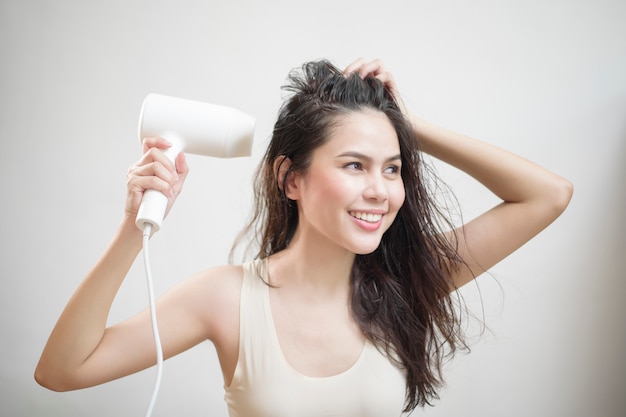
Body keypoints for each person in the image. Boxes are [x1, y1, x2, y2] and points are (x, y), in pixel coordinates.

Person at [35, 58, 573, 416]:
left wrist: (406, 124)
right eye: (355, 165)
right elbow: (62, 371)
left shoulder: (406, 285)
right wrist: (134, 228)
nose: (380, 191)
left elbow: (547, 195)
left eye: (392, 169)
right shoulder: (225, 298)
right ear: (290, 178)